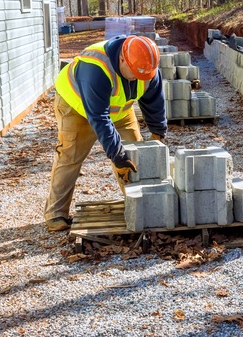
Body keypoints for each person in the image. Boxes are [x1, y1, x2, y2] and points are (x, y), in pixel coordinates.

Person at [44, 35, 168, 232]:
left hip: (118, 109)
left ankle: (137, 205)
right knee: (70, 155)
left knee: (136, 156)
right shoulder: (95, 68)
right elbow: (99, 118)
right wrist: (117, 156)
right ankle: (55, 214)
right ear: (122, 59)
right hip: (76, 107)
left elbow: (154, 102)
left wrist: (157, 134)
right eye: (134, 73)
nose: (138, 78)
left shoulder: (147, 67)